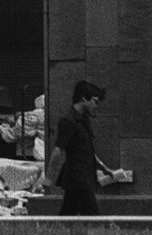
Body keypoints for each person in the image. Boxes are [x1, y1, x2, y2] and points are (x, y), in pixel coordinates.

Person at [43, 80, 113, 215]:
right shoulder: (68, 121)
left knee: (67, 214)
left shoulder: (84, 120)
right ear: (84, 99)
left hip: (83, 176)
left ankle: (59, 234)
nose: (96, 106)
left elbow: (86, 149)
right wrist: (49, 177)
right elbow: (58, 151)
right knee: (93, 216)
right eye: (95, 101)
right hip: (78, 178)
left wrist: (103, 167)